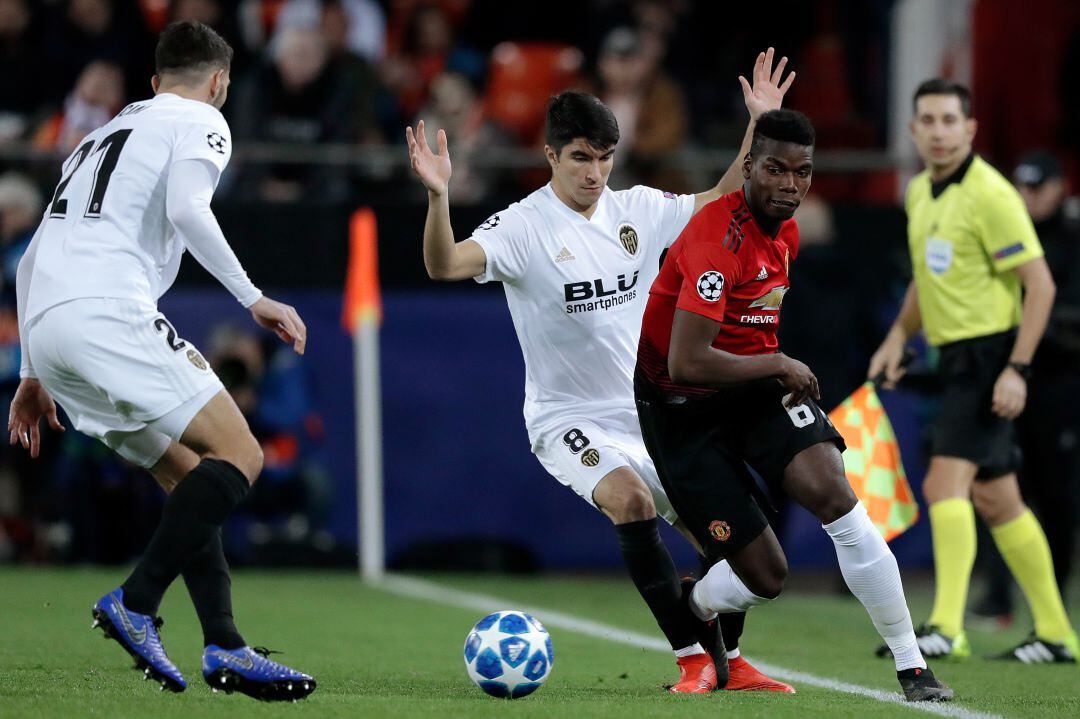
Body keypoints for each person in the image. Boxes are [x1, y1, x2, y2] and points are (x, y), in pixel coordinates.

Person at [406, 49, 797, 694]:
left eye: (605, 156)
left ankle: (728, 661)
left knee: (727, 538)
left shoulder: (636, 210)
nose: (596, 171)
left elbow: (723, 197)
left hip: (649, 414)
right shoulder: (522, 227)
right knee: (631, 500)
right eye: (582, 157)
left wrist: (757, 124)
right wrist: (439, 195)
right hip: (569, 419)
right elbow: (444, 265)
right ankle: (692, 659)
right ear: (551, 155)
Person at [8, 21, 316, 699]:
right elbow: (188, 207)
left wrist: (33, 370)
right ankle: (137, 600)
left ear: (152, 82)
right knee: (242, 453)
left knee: (188, 476)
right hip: (107, 313)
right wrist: (253, 297)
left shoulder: (94, 137)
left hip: (51, 327)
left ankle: (225, 646)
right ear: (218, 83)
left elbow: (29, 259)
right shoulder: (201, 119)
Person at [633, 109, 952, 702]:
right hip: (681, 406)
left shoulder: (788, 232)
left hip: (752, 388)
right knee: (767, 576)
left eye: (802, 173)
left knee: (836, 492)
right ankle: (696, 603)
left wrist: (771, 368)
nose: (789, 185)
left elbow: (753, 323)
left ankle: (914, 668)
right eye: (775, 170)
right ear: (748, 167)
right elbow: (687, 361)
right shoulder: (712, 239)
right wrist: (780, 363)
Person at [867, 80, 1078, 664]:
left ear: (970, 128)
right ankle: (1058, 633)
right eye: (927, 120)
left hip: (988, 358)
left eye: (948, 120)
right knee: (998, 499)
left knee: (944, 486)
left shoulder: (992, 195)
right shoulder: (919, 194)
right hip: (955, 358)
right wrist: (896, 336)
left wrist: (1017, 369)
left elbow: (1040, 286)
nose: (938, 131)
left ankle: (944, 626)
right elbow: (923, 281)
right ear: (913, 130)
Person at [973, 151, 1080, 626]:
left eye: (1036, 188)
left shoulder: (1073, 244)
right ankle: (998, 595)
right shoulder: (1006, 236)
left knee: (1056, 495)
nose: (1026, 197)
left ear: (1059, 188)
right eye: (1021, 187)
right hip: (1006, 381)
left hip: (1057, 387)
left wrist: (1036, 331)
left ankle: (1052, 598)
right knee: (1001, 486)